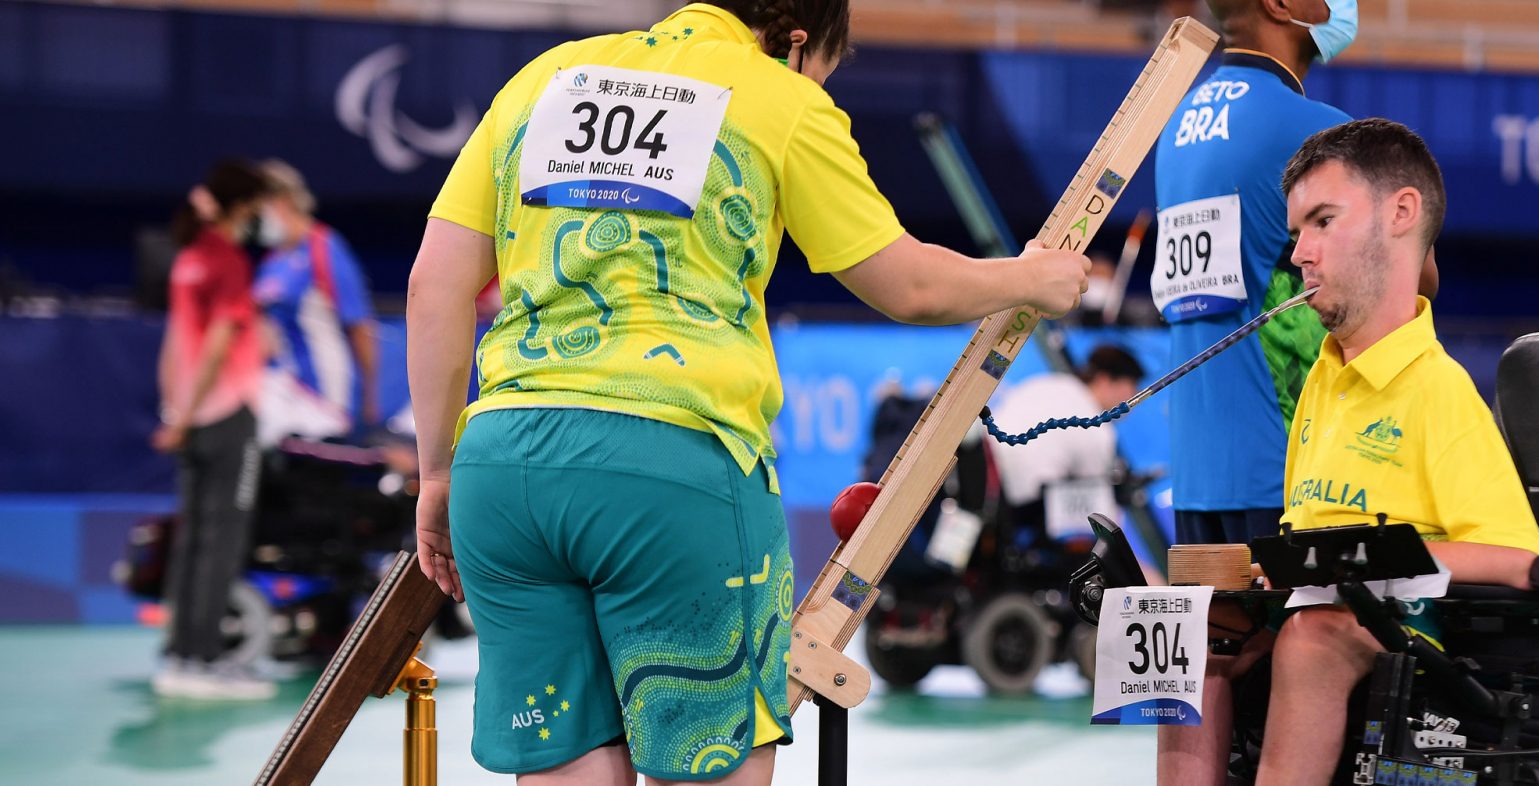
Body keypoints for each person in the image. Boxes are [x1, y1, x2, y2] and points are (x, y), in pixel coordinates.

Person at [404, 3, 1090, 783]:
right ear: (797, 40)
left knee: (565, 766)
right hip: (671, 463)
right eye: (826, 70)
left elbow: (433, 288)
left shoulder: (542, 78)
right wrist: (1035, 277)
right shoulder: (778, 95)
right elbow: (911, 285)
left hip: (504, 471)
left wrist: (436, 476)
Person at [1162, 119, 1539, 786]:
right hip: (1324, 601)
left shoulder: (1440, 390)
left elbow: (1521, 559)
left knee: (1314, 638)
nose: (1300, 254)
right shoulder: (1321, 377)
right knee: (1186, 633)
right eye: (1296, 234)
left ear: (1402, 213)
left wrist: (1368, 561)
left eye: (1322, 222)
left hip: (1413, 628)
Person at [1150, 0, 1357, 549]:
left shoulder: (1176, 126)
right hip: (1287, 468)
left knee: (1221, 640)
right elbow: (1411, 276)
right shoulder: (1318, 130)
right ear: (1280, 5)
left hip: (1197, 474)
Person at [151, 160, 276, 700]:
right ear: (243, 206)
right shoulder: (226, 261)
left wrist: (175, 412)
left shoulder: (188, 260)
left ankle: (179, 656)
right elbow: (218, 343)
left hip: (192, 418)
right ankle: (202, 661)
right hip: (228, 418)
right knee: (221, 540)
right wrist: (188, 412)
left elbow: (174, 344)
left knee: (193, 538)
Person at [252, 159, 381, 444]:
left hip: (323, 397)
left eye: (258, 209)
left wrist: (371, 396)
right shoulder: (270, 263)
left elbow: (360, 326)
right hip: (283, 390)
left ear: (282, 201)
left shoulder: (325, 248)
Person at [986, 344, 1147, 538]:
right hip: (1021, 505)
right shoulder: (1096, 426)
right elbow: (1098, 505)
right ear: (1104, 380)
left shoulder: (1048, 382)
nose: (1131, 402)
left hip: (986, 479)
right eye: (1129, 389)